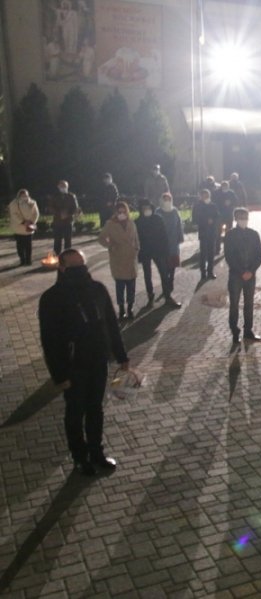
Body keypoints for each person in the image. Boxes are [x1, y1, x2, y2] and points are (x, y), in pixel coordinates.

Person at [39, 249, 129, 476]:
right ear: (62, 268)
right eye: (74, 267)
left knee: (95, 409)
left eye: (82, 265)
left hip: (98, 360)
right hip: (73, 365)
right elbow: (49, 341)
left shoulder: (97, 289)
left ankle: (97, 452)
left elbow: (111, 324)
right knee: (75, 412)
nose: (80, 270)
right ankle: (80, 457)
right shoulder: (52, 298)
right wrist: (60, 375)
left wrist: (121, 355)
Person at [224, 208, 261, 344]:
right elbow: (229, 256)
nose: (244, 220)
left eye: (245, 217)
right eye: (241, 217)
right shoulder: (230, 235)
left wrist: (251, 271)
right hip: (236, 275)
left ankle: (248, 330)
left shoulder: (254, 234)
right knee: (234, 304)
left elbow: (259, 255)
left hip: (250, 274)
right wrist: (241, 272)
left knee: (249, 303)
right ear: (236, 219)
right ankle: (235, 331)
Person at [97, 200, 139, 319]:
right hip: (118, 258)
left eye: (124, 211)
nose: (121, 214)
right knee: (120, 286)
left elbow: (136, 238)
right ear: (115, 212)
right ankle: (121, 309)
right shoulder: (110, 224)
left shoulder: (131, 223)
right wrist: (110, 246)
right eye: (119, 212)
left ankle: (130, 307)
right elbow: (101, 238)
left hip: (131, 258)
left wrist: (137, 249)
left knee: (131, 286)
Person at [135, 198, 171, 304]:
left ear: (151, 208)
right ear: (141, 210)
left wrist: (166, 250)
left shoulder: (157, 219)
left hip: (158, 250)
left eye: (148, 207)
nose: (146, 210)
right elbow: (136, 240)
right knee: (147, 275)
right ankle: (150, 295)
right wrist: (138, 254)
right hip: (145, 251)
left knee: (164, 273)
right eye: (144, 208)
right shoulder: (137, 222)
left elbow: (164, 235)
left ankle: (167, 295)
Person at [156, 193, 183, 307]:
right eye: (165, 199)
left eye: (169, 199)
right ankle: (167, 296)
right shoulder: (158, 212)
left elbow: (179, 225)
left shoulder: (175, 211)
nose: (167, 201)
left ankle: (169, 289)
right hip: (161, 247)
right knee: (164, 272)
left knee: (171, 270)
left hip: (173, 246)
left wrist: (180, 237)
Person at [193, 189, 219, 280]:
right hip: (203, 232)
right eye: (204, 196)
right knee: (203, 253)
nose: (206, 197)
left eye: (207, 196)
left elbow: (217, 216)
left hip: (212, 232)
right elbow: (195, 218)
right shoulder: (198, 206)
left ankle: (210, 271)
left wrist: (213, 220)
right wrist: (205, 220)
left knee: (211, 253)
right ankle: (203, 272)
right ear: (201, 196)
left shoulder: (213, 205)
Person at [9, 189, 39, 266]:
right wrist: (23, 222)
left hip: (29, 227)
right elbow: (14, 215)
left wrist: (32, 222)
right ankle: (22, 260)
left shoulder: (32, 202)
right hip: (19, 228)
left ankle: (28, 260)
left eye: (25, 195)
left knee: (29, 245)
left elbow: (36, 213)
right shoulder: (14, 203)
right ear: (19, 195)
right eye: (22, 195)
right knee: (20, 246)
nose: (24, 196)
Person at [49, 179, 79, 255]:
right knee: (57, 240)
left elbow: (75, 208)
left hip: (68, 221)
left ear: (67, 187)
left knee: (68, 240)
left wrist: (68, 214)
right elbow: (51, 207)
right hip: (57, 221)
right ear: (58, 187)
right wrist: (59, 213)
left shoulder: (71, 196)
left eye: (64, 186)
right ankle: (57, 256)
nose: (63, 188)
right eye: (61, 186)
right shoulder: (55, 196)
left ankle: (67, 256)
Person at [214, 181, 238, 255]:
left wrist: (230, 203)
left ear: (228, 186)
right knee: (218, 232)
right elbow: (214, 202)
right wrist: (221, 204)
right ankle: (217, 248)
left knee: (229, 232)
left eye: (226, 186)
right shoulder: (217, 193)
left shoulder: (231, 193)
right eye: (223, 186)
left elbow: (236, 201)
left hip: (228, 215)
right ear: (221, 186)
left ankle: (227, 247)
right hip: (220, 215)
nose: (225, 188)